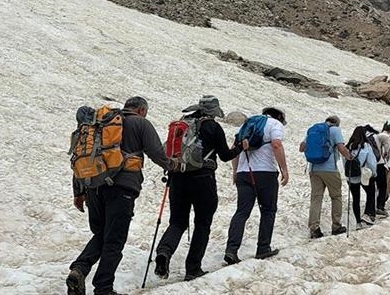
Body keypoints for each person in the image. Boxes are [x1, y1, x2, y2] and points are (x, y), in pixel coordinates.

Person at [68, 97, 173, 295]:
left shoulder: (100, 124)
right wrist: (171, 166)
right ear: (142, 110)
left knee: (101, 234)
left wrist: (79, 192)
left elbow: (81, 156)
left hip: (94, 187)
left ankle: (79, 270)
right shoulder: (140, 123)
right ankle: (103, 288)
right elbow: (156, 152)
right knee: (114, 240)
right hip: (122, 188)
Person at [155, 96, 240, 281]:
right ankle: (193, 268)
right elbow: (225, 156)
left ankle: (164, 251)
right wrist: (240, 147)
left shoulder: (184, 124)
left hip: (177, 178)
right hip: (203, 180)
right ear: (214, 111)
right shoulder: (213, 127)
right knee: (202, 223)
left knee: (177, 222)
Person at [224, 107, 289, 264]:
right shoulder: (274, 124)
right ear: (279, 116)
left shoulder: (247, 125)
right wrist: (284, 170)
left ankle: (231, 250)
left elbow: (235, 148)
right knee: (268, 210)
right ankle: (263, 248)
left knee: (242, 212)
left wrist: (235, 171)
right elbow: (276, 145)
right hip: (265, 173)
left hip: (243, 173)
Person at [300, 115, 352, 239]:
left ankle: (314, 228)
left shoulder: (314, 130)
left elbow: (302, 148)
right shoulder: (335, 130)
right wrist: (350, 157)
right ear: (337, 123)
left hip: (314, 169)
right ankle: (336, 226)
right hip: (329, 169)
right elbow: (341, 148)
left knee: (316, 198)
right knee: (336, 196)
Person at [345, 126, 378, 229]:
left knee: (356, 198)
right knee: (371, 192)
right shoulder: (366, 146)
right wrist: (374, 172)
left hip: (351, 176)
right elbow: (371, 162)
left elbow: (344, 161)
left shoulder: (348, 146)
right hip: (363, 174)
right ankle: (367, 214)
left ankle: (358, 222)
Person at [364, 125, 388, 217]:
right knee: (382, 186)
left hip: (368, 166)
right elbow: (386, 140)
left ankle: (370, 209)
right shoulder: (376, 136)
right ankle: (380, 206)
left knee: (371, 188)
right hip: (379, 163)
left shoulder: (363, 137)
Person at [376, 122, 390, 215]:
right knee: (386, 188)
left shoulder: (378, 137)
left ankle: (376, 203)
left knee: (378, 186)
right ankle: (380, 205)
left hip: (378, 164)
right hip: (388, 165)